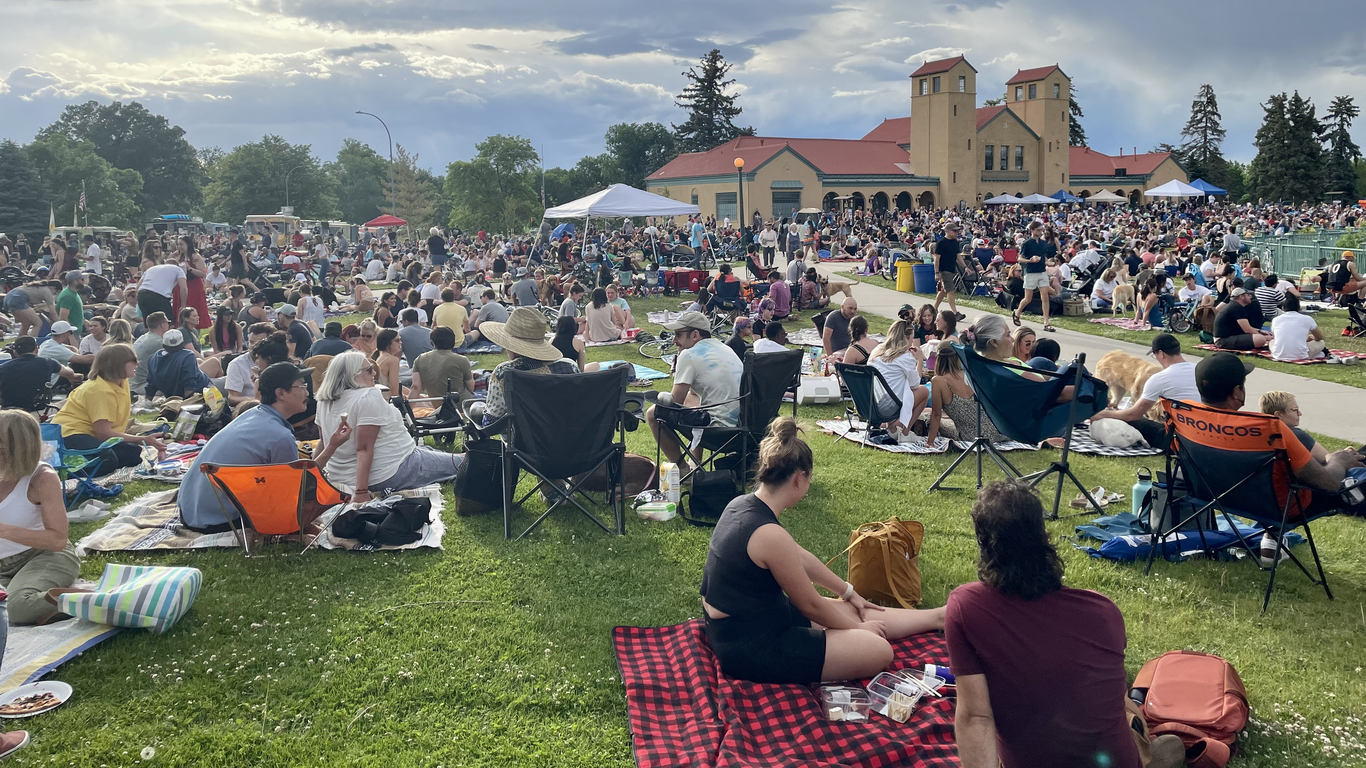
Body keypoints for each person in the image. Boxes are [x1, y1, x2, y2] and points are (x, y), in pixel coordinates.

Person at [948, 480, 1186, 768]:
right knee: (1125, 708)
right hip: (1114, 759)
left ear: (984, 546)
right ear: (1045, 537)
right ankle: (1148, 752)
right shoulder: (1103, 611)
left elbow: (976, 717)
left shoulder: (966, 606)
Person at [700, 416, 944, 684]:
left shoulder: (741, 505)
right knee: (878, 649)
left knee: (853, 608)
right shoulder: (768, 534)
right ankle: (862, 633)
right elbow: (811, 605)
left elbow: (800, 557)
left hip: (757, 619)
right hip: (749, 645)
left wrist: (848, 592)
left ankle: (937, 618)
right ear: (799, 478)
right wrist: (859, 630)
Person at [179, 363, 353, 531]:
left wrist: (332, 443)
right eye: (302, 386)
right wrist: (332, 447)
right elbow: (299, 488)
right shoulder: (279, 436)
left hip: (190, 512)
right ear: (281, 393)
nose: (307, 392)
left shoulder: (253, 415)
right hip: (220, 520)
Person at [315, 352, 464, 501]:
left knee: (430, 452)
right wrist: (361, 492)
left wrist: (311, 476)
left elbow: (323, 441)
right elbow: (364, 448)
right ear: (353, 375)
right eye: (369, 369)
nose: (374, 373)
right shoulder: (367, 396)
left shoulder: (324, 401)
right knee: (464, 463)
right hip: (390, 471)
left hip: (341, 476)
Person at [0, 410, 84, 626]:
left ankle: (85, 597)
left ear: (9, 448)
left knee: (16, 608)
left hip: (44, 556)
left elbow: (57, 540)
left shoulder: (41, 478)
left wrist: (4, 530)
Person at [646, 311, 745, 468]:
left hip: (717, 432)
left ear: (695, 335)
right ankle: (694, 463)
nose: (674, 340)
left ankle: (684, 470)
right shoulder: (725, 347)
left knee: (653, 413)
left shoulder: (688, 355)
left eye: (678, 334)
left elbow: (674, 403)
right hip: (742, 429)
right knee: (693, 398)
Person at [51, 343, 166, 475]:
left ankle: (85, 462)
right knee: (108, 460)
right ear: (118, 364)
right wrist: (142, 439)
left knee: (133, 453)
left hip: (91, 435)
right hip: (69, 435)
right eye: (133, 361)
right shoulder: (99, 390)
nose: (137, 364)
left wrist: (138, 441)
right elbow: (103, 434)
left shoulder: (122, 382)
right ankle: (62, 470)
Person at [477, 307, 581, 427]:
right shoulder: (570, 366)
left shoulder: (504, 373)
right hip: (570, 439)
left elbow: (491, 421)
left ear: (510, 346)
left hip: (523, 443)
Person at [1090, 333, 1199, 447]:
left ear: (1161, 353)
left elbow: (1134, 414)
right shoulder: (1199, 369)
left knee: (1128, 420)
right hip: (1205, 433)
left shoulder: (1158, 378)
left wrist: (1105, 414)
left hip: (1178, 439)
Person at [926, 346, 1004, 444]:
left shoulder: (939, 381)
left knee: (930, 420)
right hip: (996, 430)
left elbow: (936, 415)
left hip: (972, 436)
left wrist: (929, 442)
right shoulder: (971, 374)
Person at [867, 320, 929, 435]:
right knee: (924, 391)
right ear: (906, 338)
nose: (912, 342)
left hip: (871, 403)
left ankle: (891, 425)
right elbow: (915, 384)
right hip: (890, 406)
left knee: (898, 389)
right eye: (912, 338)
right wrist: (919, 360)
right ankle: (902, 432)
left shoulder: (877, 350)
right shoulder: (906, 357)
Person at [0, 336, 81, 410]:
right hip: (38, 412)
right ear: (37, 349)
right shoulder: (48, 362)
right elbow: (69, 373)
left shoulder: (2, 368)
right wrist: (73, 376)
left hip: (8, 413)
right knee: (69, 400)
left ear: (15, 353)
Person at [1260, 391, 1329, 465]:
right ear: (1278, 415)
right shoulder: (1297, 435)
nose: (1299, 413)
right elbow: (1326, 459)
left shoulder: (1258, 434)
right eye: (1294, 410)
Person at [410, 326, 476, 401]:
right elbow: (471, 387)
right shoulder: (462, 360)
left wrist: (407, 411)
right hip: (461, 405)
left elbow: (416, 387)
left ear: (432, 343)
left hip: (437, 404)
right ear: (453, 341)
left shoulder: (420, 359)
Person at [1013, 222, 1055, 332]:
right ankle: (1017, 313)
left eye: (1041, 230)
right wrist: (1030, 260)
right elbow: (1019, 259)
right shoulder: (1026, 244)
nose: (1040, 232)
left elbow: (1043, 255)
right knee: (1028, 298)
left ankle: (1046, 323)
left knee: (1045, 297)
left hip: (1042, 271)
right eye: (1038, 230)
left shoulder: (1043, 243)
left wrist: (1047, 262)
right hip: (1030, 271)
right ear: (1032, 230)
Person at [146, 329, 213, 398]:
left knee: (199, 361)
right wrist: (187, 403)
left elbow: (151, 385)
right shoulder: (187, 355)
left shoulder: (153, 358)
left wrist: (147, 402)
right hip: (204, 387)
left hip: (171, 392)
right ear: (182, 344)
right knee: (215, 362)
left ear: (164, 345)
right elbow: (189, 385)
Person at [224, 326, 281, 406]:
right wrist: (256, 400)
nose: (253, 346)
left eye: (259, 343)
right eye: (251, 342)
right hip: (251, 408)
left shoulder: (277, 361)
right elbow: (232, 398)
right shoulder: (236, 364)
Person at [1269, 294, 1325, 361]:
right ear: (1299, 308)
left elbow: (1277, 337)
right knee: (1321, 342)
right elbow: (1319, 337)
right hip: (1301, 355)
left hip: (1279, 355)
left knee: (1272, 341)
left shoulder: (1276, 319)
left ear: (1283, 308)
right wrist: (1312, 337)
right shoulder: (1307, 319)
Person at [933, 222, 968, 321]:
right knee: (950, 291)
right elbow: (937, 258)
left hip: (952, 269)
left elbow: (958, 256)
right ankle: (955, 313)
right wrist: (936, 272)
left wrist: (965, 266)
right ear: (947, 231)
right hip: (944, 270)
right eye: (955, 230)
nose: (957, 232)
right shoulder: (941, 243)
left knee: (944, 290)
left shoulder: (955, 242)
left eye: (957, 230)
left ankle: (934, 309)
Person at [373, 328, 404, 395]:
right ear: (388, 344)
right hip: (387, 398)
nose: (400, 342)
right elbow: (394, 389)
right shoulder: (393, 360)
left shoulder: (380, 356)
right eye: (397, 340)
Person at [54, 271, 85, 336]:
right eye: (82, 279)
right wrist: (71, 333)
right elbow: (63, 317)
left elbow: (74, 311)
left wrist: (85, 321)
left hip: (75, 330)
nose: (84, 281)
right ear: (74, 281)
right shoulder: (68, 296)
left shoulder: (72, 293)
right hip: (72, 333)